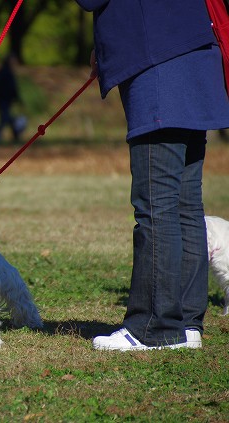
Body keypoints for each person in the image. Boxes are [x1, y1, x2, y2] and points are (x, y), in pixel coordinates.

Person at [76, 0, 229, 351]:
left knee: (156, 203)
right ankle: (186, 324)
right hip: (196, 52)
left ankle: (154, 327)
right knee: (185, 202)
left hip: (158, 64)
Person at [0, 56, 27, 144]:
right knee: (5, 118)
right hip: (4, 99)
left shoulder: (1, 72)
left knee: (5, 118)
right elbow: (12, 88)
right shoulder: (7, 73)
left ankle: (10, 136)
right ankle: (1, 137)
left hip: (3, 99)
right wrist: (18, 98)